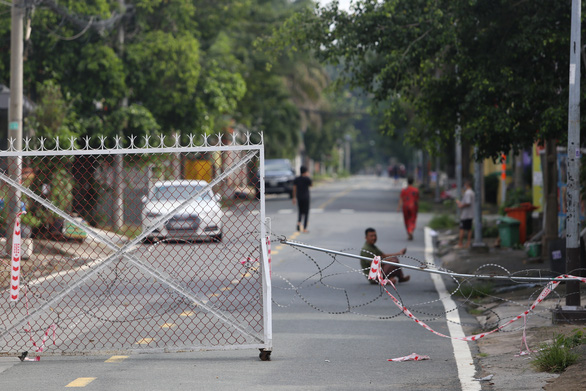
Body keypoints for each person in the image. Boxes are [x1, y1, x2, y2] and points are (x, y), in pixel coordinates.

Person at [398, 176, 419, 240]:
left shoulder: (404, 190)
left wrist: (399, 207)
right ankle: (410, 231)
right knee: (412, 219)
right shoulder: (416, 190)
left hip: (405, 206)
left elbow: (401, 199)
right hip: (413, 206)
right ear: (413, 182)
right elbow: (417, 200)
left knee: (406, 220)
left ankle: (408, 232)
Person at [292, 165, 312, 232]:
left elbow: (294, 189)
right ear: (306, 171)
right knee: (306, 213)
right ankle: (304, 228)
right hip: (306, 197)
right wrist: (308, 176)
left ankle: (299, 222)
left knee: (300, 211)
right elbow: (311, 185)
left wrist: (294, 197)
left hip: (299, 197)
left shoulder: (297, 179)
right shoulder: (307, 179)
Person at [456, 180, 475, 248]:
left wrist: (460, 204)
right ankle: (468, 243)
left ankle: (460, 243)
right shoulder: (472, 192)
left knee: (462, 229)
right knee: (469, 229)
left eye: (464, 185)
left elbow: (468, 202)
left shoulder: (468, 193)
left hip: (466, 215)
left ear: (466, 185)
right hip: (470, 214)